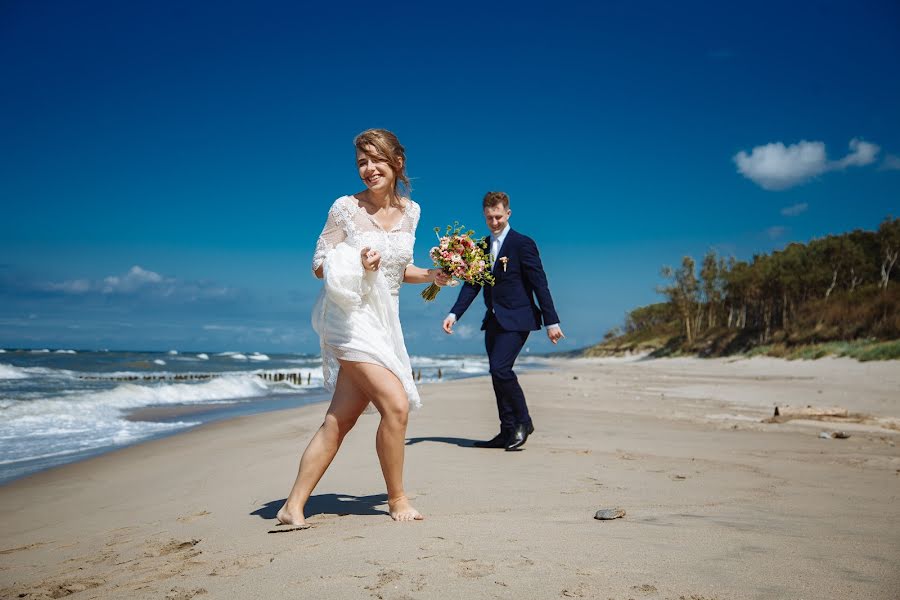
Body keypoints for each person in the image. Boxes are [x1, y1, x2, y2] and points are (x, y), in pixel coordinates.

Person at [274, 129, 449, 530]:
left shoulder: (412, 212)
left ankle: (292, 505)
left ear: (397, 162)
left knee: (340, 420)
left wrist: (433, 276)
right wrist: (357, 259)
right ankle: (397, 498)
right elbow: (319, 263)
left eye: (376, 160)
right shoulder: (344, 208)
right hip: (349, 319)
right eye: (362, 162)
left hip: (386, 322)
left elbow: (400, 268)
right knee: (396, 404)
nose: (369, 169)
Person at [442, 191, 563, 451]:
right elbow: (473, 284)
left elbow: (539, 283)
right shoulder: (482, 247)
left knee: (500, 369)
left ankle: (523, 422)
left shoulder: (523, 244)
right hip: (494, 320)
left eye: (498, 217)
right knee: (496, 374)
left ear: (508, 213)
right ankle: (506, 430)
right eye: (489, 218)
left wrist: (552, 321)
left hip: (519, 317)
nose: (494, 222)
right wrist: (454, 314)